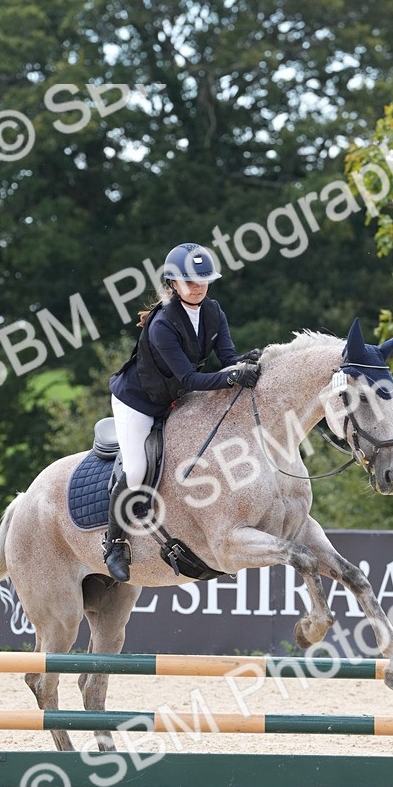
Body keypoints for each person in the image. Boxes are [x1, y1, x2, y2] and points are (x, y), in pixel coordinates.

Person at [104, 241, 261, 582]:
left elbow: (228, 359)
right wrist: (232, 375)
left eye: (203, 281)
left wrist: (245, 364)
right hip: (139, 402)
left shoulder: (213, 311)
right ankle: (114, 542)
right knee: (135, 469)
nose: (197, 287)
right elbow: (190, 377)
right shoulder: (162, 324)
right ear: (173, 284)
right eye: (190, 282)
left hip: (176, 397)